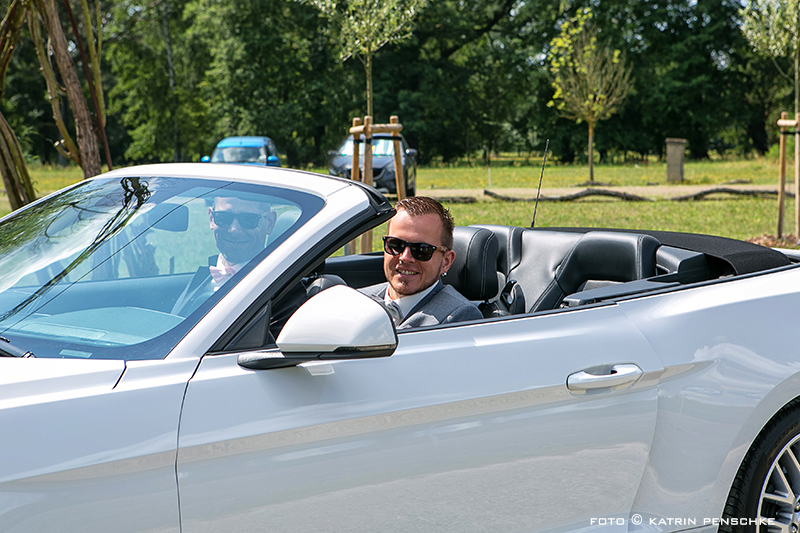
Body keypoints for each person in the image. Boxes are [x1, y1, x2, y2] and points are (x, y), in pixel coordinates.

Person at [361, 196, 482, 329]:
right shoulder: (358, 300)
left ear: (446, 262)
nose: (405, 257)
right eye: (395, 244)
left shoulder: (458, 317)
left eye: (422, 249)